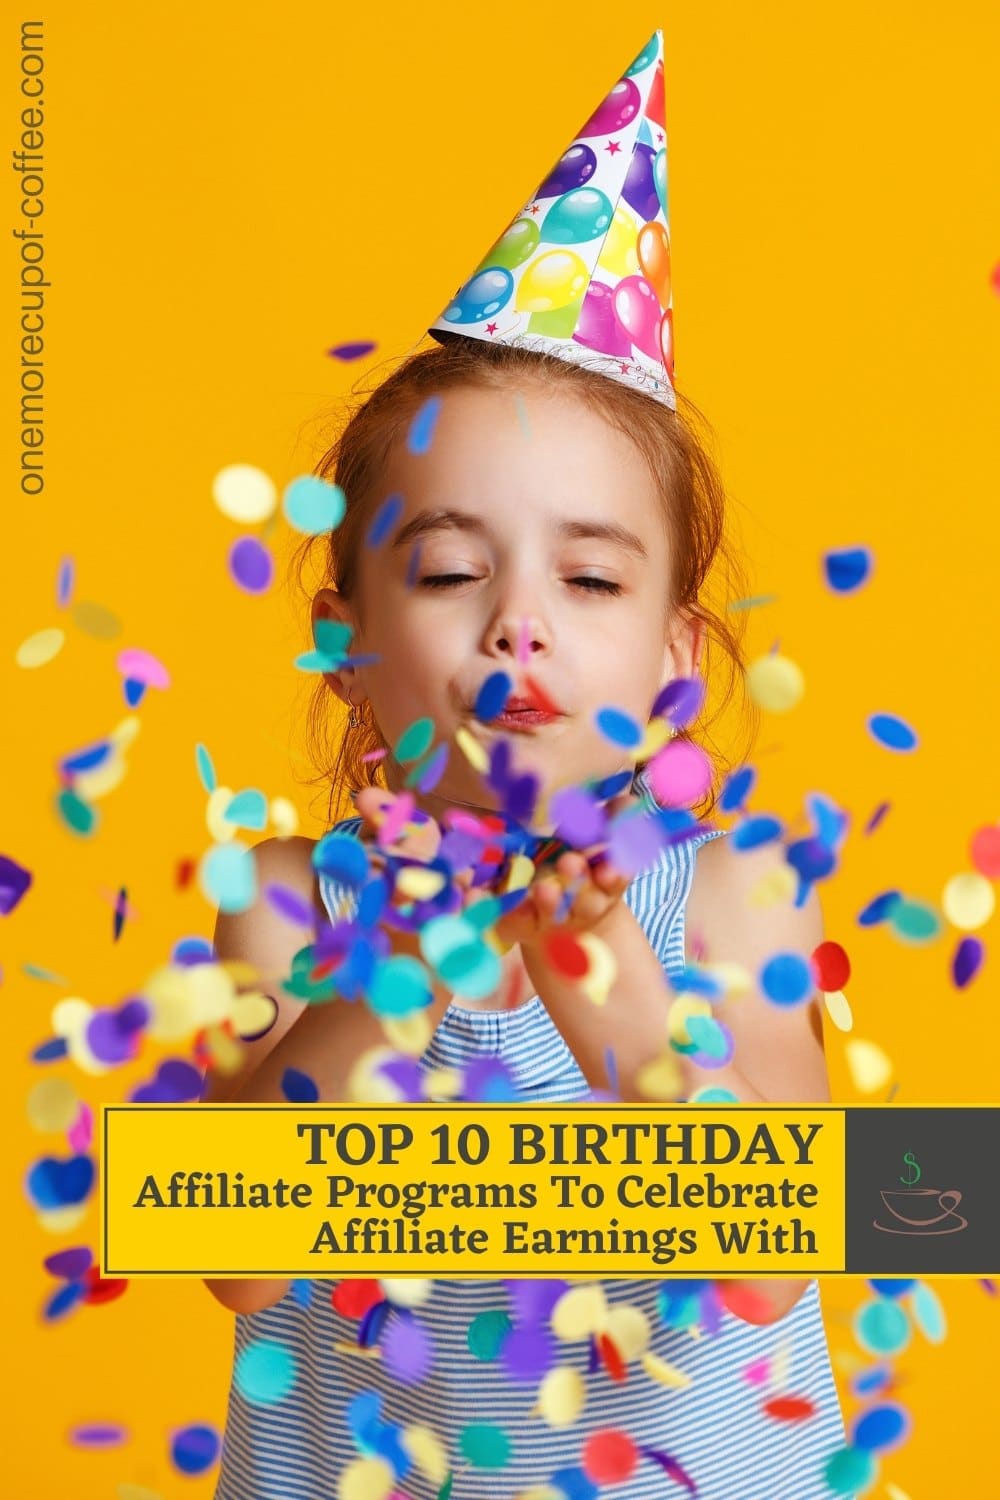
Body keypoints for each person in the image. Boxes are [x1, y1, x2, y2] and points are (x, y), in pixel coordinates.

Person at [204, 30, 851, 1499]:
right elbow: (232, 1263)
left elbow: (774, 1272)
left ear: (678, 663)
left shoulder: (737, 898)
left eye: (593, 581)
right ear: (346, 643)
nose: (519, 626)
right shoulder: (291, 904)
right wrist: (395, 974)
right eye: (445, 571)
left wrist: (620, 1011)